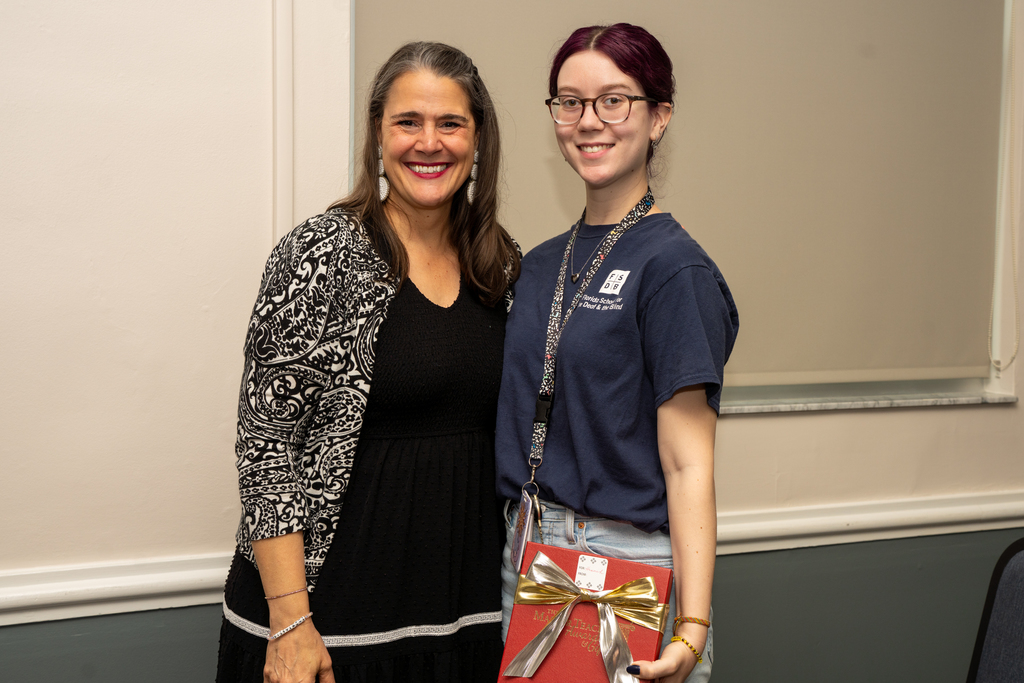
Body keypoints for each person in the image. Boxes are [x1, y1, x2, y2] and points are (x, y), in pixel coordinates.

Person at [217, 41, 520, 683]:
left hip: (463, 614)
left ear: (478, 140)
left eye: (451, 123)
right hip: (327, 622)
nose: (429, 143)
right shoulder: (321, 254)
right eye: (408, 121)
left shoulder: (501, 264)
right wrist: (291, 624)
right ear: (378, 134)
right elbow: (266, 445)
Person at [495, 24, 738, 683]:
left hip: (627, 562)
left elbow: (689, 464)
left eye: (614, 100)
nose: (588, 120)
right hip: (529, 552)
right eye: (570, 102)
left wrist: (691, 629)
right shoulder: (539, 265)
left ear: (659, 117)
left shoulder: (674, 269)